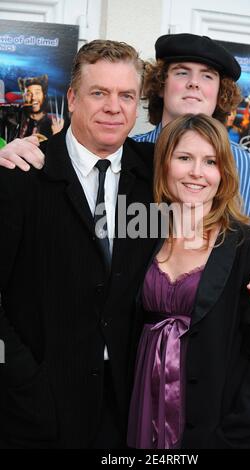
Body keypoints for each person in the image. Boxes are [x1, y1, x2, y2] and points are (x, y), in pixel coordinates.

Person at [0, 34, 250, 311]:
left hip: (218, 347)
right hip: (135, 350)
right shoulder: (134, 155)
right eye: (182, 72)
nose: (194, 84)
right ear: (160, 85)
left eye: (207, 76)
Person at [0, 39, 157, 449]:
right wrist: (22, 380)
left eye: (126, 95)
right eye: (99, 92)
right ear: (72, 98)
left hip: (129, 411)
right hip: (35, 411)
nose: (113, 107)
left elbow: (222, 223)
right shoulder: (20, 174)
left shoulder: (157, 177)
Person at [127, 114, 250, 449]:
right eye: (184, 158)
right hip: (143, 415)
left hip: (217, 432)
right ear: (165, 164)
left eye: (210, 161)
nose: (197, 172)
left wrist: (232, 435)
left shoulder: (248, 247)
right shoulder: (143, 234)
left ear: (223, 173)